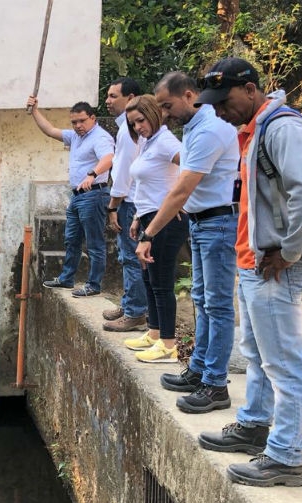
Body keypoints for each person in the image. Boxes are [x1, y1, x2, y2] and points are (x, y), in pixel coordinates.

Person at [194, 57, 302, 487]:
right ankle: (255, 425)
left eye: (225, 100)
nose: (219, 110)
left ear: (251, 89)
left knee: (284, 364)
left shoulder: (283, 128)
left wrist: (289, 251)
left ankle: (286, 456)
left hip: (275, 267)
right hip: (254, 262)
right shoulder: (254, 130)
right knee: (257, 354)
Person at [136, 71, 240, 414]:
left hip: (218, 223)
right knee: (202, 299)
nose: (164, 113)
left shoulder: (210, 130)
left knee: (218, 305)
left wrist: (148, 234)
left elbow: (182, 188)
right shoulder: (195, 128)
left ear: (190, 95)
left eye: (167, 106)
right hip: (201, 223)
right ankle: (198, 369)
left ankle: (215, 384)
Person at [116, 95, 185, 363]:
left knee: (161, 283)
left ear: (154, 115)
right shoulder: (149, 142)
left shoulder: (167, 142)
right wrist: (136, 217)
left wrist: (184, 200)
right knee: (149, 278)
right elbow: (146, 183)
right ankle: (154, 333)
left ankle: (168, 344)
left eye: (141, 121)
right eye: (133, 124)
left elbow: (192, 169)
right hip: (147, 216)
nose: (138, 128)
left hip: (165, 219)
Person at [28, 96, 114, 298]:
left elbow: (109, 158)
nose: (78, 125)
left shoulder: (100, 137)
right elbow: (50, 130)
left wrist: (92, 175)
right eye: (74, 122)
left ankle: (94, 284)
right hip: (77, 196)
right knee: (71, 239)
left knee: (94, 243)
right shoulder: (76, 137)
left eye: (82, 121)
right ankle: (67, 278)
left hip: (93, 194)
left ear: (92, 118)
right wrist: (34, 111)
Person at [102, 78, 149, 331]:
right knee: (129, 256)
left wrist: (112, 206)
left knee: (132, 257)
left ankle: (135, 312)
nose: (108, 101)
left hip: (130, 201)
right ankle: (131, 302)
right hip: (132, 200)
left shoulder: (128, 130)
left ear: (130, 97)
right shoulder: (127, 128)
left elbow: (122, 171)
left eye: (113, 96)